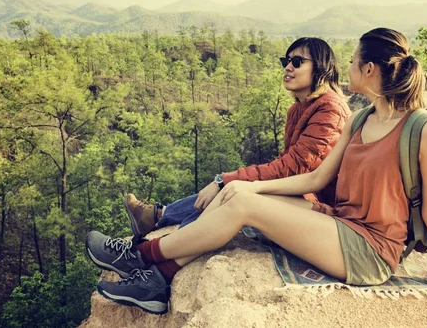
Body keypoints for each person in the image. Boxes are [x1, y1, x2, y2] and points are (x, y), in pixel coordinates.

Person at [85, 28, 427, 315]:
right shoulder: (362, 119)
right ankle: (159, 283)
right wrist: (239, 185)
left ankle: (139, 255)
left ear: (369, 71)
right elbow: (315, 180)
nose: (345, 68)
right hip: (341, 224)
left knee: (246, 206)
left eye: (352, 62)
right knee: (238, 197)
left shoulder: (425, 129)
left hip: (371, 250)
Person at [124, 37, 351, 237]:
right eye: (286, 61)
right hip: (304, 192)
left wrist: (225, 179)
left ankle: (173, 240)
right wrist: (232, 180)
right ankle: (159, 218)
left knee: (234, 190)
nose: (288, 67)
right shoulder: (300, 108)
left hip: (324, 207)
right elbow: (286, 163)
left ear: (321, 68)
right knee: (236, 185)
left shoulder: (329, 110)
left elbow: (293, 168)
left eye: (297, 62)